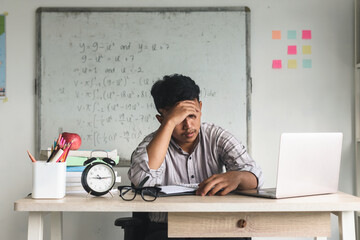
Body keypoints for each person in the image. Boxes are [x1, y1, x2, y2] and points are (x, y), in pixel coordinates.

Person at [128, 74, 263, 240]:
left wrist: (238, 177)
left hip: (215, 227)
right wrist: (169, 123)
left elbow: (256, 176)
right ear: (161, 119)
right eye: (179, 119)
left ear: (200, 107)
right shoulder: (150, 144)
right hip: (166, 229)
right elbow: (141, 181)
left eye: (192, 115)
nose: (188, 126)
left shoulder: (217, 136)